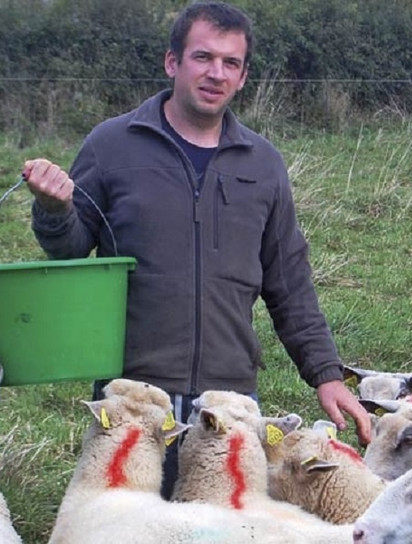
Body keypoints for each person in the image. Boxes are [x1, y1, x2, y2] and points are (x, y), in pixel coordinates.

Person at [22, 1, 370, 499]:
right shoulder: (112, 145)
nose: (216, 73)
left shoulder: (263, 163)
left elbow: (288, 281)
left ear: (244, 76)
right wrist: (55, 211)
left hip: (228, 402)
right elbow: (72, 253)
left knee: (223, 528)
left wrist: (327, 374)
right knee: (126, 527)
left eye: (231, 63)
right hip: (135, 396)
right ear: (173, 63)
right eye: (203, 57)